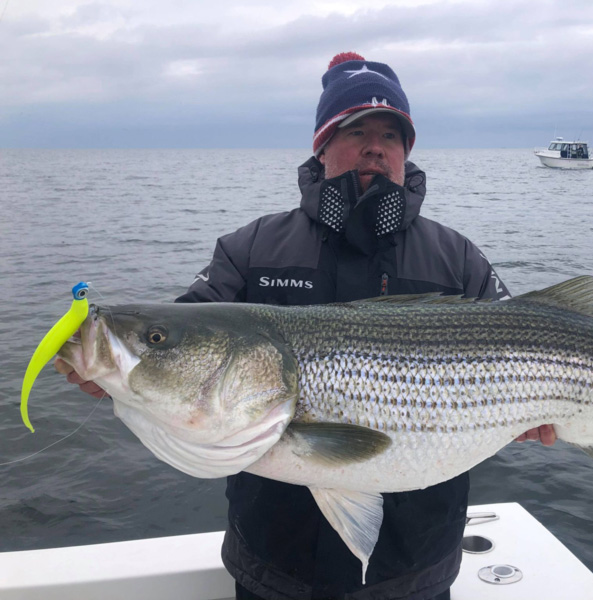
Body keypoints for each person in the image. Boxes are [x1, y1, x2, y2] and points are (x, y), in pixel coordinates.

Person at [56, 52, 556, 600]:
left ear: (406, 151)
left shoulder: (455, 257)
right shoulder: (250, 249)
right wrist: (112, 371)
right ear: (321, 146)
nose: (376, 145)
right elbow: (182, 341)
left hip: (415, 567)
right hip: (275, 564)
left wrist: (535, 410)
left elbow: (527, 340)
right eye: (356, 129)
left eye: (392, 134)